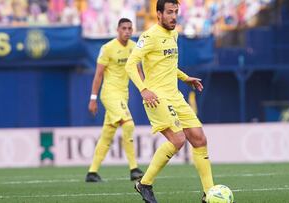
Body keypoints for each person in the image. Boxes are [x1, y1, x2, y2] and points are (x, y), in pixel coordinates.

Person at [125, 1, 214, 202]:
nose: (174, 17)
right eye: (169, 13)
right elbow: (131, 65)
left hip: (175, 95)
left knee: (200, 139)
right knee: (178, 139)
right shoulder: (148, 36)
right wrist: (144, 89)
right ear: (159, 14)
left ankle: (209, 193)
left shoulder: (173, 33)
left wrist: (185, 78)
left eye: (176, 12)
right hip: (156, 97)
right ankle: (144, 184)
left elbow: (168, 65)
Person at [85, 18, 144, 182]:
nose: (127, 31)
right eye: (124, 28)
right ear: (117, 30)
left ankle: (92, 172)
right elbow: (98, 75)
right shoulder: (108, 48)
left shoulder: (134, 47)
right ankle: (134, 168)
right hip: (109, 94)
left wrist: (145, 90)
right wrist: (93, 98)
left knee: (107, 134)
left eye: (130, 29)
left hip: (123, 95)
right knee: (129, 124)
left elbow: (139, 71)